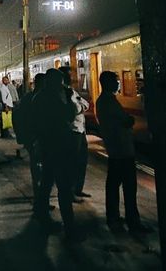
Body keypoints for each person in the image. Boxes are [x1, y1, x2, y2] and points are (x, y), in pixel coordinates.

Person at [96, 71, 152, 233]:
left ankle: (114, 217)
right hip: (121, 150)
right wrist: (129, 120)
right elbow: (126, 120)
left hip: (116, 150)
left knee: (114, 185)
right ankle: (131, 221)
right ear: (108, 83)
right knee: (128, 187)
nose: (119, 83)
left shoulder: (105, 101)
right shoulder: (108, 101)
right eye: (116, 80)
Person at [31, 68, 81, 241]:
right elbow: (69, 115)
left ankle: (41, 215)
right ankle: (70, 229)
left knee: (46, 183)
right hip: (58, 147)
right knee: (64, 188)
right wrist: (67, 99)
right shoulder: (55, 99)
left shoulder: (38, 98)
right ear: (55, 83)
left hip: (46, 147)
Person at [12, 73, 45, 206]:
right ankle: (40, 202)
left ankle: (40, 199)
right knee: (39, 170)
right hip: (37, 139)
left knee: (38, 169)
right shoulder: (38, 99)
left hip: (33, 139)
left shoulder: (27, 98)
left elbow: (17, 116)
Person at [59, 66, 91, 203]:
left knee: (82, 160)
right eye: (69, 75)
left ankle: (78, 188)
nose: (72, 77)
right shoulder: (63, 92)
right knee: (72, 162)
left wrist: (80, 105)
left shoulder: (71, 91)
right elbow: (75, 108)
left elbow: (85, 104)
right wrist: (80, 106)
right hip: (72, 131)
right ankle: (71, 192)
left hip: (80, 129)